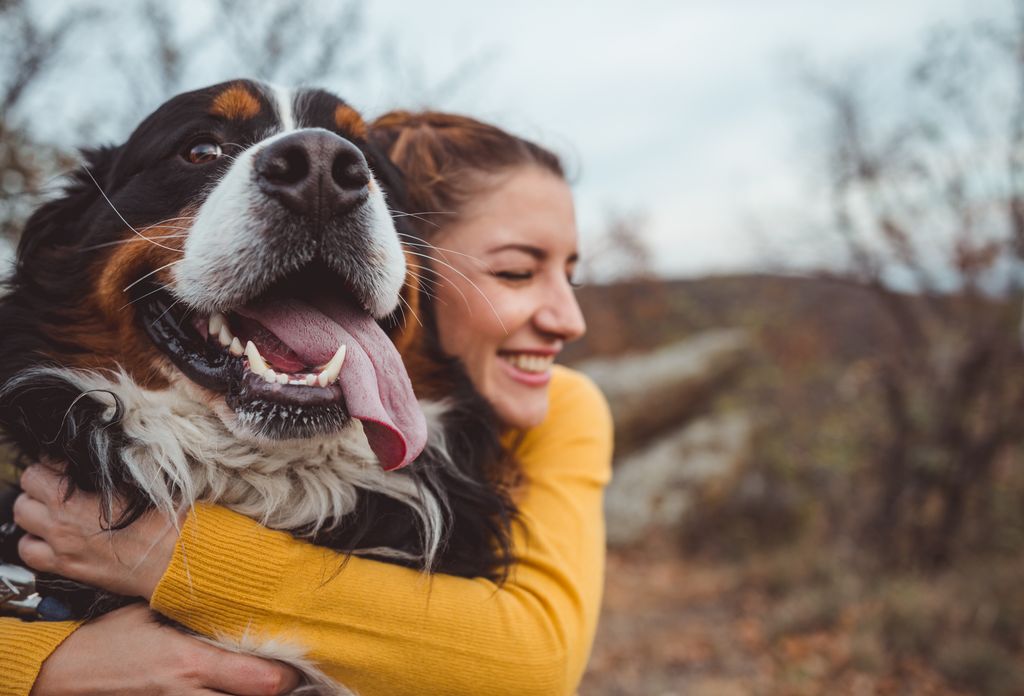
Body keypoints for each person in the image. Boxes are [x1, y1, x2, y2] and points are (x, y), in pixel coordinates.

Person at [0, 111, 613, 696]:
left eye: (571, 274)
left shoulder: (562, 407)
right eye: (515, 273)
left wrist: (173, 558)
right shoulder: (44, 500)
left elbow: (535, 663)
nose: (570, 320)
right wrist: (40, 664)